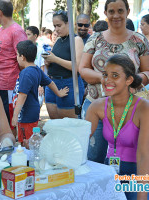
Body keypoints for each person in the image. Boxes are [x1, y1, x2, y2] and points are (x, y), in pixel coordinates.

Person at [79, 0, 149, 164]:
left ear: (127, 11)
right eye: (111, 11)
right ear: (105, 13)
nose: (116, 15)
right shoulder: (95, 39)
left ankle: (124, 189)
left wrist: (133, 82)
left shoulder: (139, 40)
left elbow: (147, 71)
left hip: (129, 110)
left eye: (120, 10)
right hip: (94, 105)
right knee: (92, 157)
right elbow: (83, 69)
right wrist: (107, 79)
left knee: (126, 159)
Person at [86, 54, 149, 200]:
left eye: (115, 76)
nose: (107, 80)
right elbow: (79, 141)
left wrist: (142, 196)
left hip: (138, 174)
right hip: (110, 172)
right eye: (105, 75)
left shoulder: (143, 108)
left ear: (129, 80)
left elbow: (144, 155)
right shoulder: (97, 106)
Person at [11, 40, 69, 143]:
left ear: (23, 57)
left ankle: (28, 158)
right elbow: (50, 82)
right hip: (32, 111)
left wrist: (15, 115)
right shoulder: (36, 69)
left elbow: (22, 96)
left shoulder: (26, 73)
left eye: (17, 55)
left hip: (26, 115)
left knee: (26, 142)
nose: (16, 57)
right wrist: (58, 93)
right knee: (29, 139)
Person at [0, 0, 27, 124]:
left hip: (7, 85)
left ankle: (9, 143)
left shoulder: (16, 31)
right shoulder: (0, 29)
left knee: (7, 120)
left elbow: (24, 58)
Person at [43, 10, 84, 119]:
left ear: (68, 23)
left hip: (69, 84)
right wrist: (48, 61)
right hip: (52, 84)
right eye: (54, 26)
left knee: (68, 126)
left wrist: (55, 59)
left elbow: (77, 67)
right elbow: (53, 62)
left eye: (59, 25)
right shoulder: (57, 41)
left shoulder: (77, 40)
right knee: (55, 124)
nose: (56, 29)